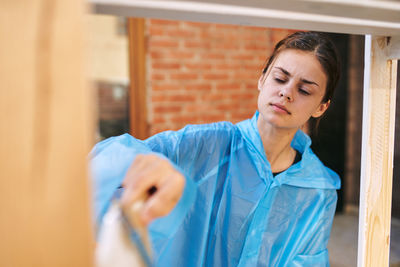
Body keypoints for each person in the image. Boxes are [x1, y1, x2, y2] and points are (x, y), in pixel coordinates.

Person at [91, 31, 341, 266]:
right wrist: (144, 165)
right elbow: (104, 162)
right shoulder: (204, 145)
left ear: (321, 107)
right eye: (280, 78)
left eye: (304, 90)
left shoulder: (318, 190)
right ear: (262, 79)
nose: (286, 92)